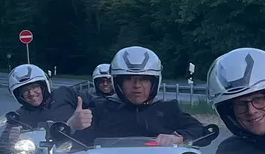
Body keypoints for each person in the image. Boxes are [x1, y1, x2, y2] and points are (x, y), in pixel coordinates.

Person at [70, 46, 208, 146]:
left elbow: (203, 132)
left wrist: (179, 138)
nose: (136, 85)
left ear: (154, 82)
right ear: (118, 82)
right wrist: (72, 125)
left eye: (144, 79)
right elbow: (67, 145)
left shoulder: (168, 110)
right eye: (129, 79)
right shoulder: (100, 110)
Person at [0, 64, 95, 154]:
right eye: (25, 91)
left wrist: (88, 115)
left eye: (34, 87)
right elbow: (0, 148)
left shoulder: (65, 94)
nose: (31, 94)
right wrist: (11, 140)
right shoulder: (18, 116)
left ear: (44, 86)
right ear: (18, 95)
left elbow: (97, 104)